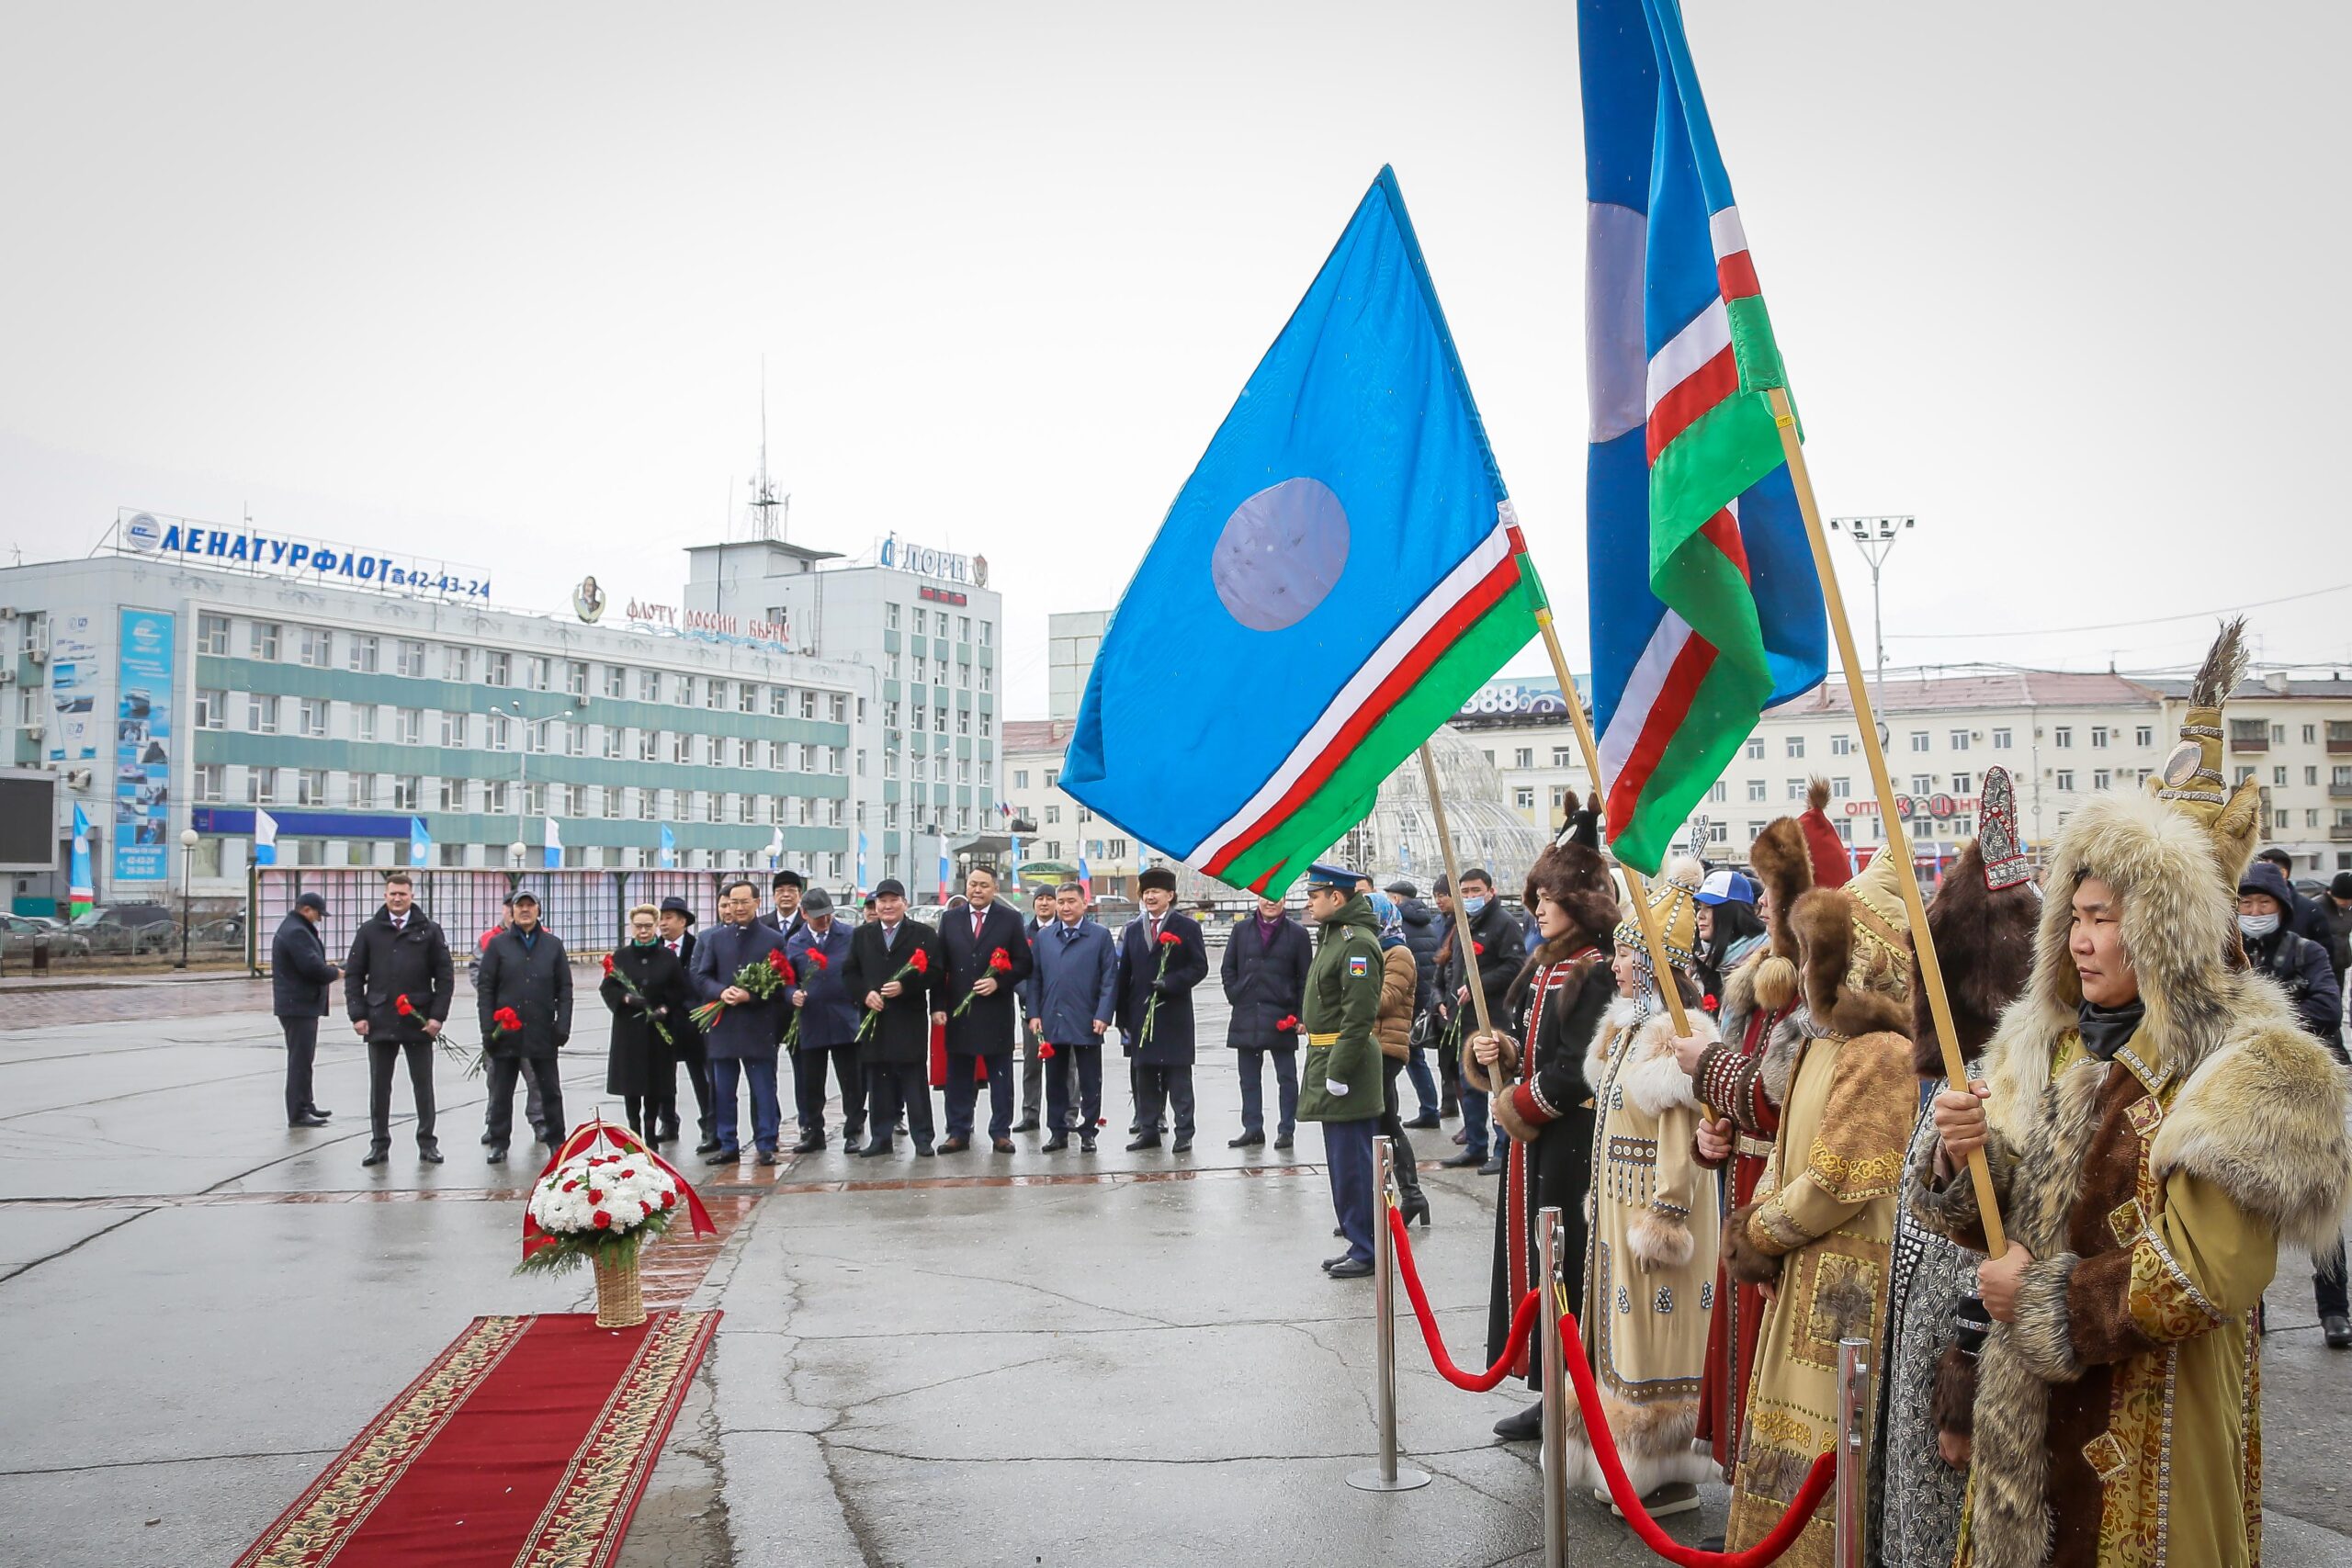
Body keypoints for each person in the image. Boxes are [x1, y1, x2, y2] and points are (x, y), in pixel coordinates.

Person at [1915, 633, 2352, 1568]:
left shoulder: (2249, 1067)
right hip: (2025, 1424)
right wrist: (1965, 1158)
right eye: (2072, 915)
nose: (2078, 939)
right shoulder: (2056, 1044)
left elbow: (2208, 1274)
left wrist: (2038, 1300)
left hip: (2151, 1433)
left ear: (2163, 924)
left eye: (2103, 919)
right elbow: (2019, 1207)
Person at [1720, 848, 1917, 1562]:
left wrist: (1760, 1231)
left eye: (1816, 955)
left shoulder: (1883, 1052)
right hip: (1803, 1272)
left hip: (1846, 1293)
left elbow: (1837, 1180)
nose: (1800, 969)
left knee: (1829, 1449)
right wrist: (1763, 1233)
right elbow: (1785, 1157)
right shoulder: (1823, 1042)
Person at [1868, 772, 2037, 1568]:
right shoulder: (1946, 1084)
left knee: (1947, 1529)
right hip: (1917, 1346)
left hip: (1963, 1358)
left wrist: (1961, 1391)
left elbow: (1989, 1248)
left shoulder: (2002, 1089)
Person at [1679, 780, 1845, 1482]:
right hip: (1747, 1183)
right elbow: (1744, 1105)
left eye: (1779, 899)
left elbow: (1779, 1099)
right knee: (1744, 1344)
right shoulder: (1762, 981)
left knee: (1776, 1356)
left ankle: (1771, 1503)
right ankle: (1747, 1488)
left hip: (1793, 1201)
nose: (1767, 908)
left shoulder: (1832, 999)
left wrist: (1709, 1067)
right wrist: (1710, 1140)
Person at [1555, 877, 1719, 1521]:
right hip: (1616, 1212)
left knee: (1652, 1344)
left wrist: (1667, 1215)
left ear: (1656, 964)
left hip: (1651, 1216)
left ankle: (1659, 1472)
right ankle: (1619, 1463)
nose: (1616, 963)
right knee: (1614, 1340)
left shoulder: (1674, 1036)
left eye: (1628, 954)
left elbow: (1681, 1142)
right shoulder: (1627, 1031)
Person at [1471, 807, 1626, 1441]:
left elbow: (1576, 1071)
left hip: (1572, 1145)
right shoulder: (1550, 962)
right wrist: (1502, 1052)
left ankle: (1569, 1392)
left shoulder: (1591, 968)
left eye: (1549, 897)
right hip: (1543, 1143)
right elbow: (1539, 1054)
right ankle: (1549, 1386)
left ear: (1580, 902)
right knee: (1545, 1266)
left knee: (1566, 1267)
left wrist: (1514, 1103)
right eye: (1535, 896)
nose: (1536, 907)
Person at [2238, 854, 2351, 1348]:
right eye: (2246, 901)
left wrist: (2260, 1017)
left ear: (2282, 906)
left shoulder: (2306, 951)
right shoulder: (2227, 953)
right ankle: (2251, 1309)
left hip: (2306, 1090)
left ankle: (2334, 1311)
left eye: (2264, 901)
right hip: (2245, 1093)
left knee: (2320, 1203)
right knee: (2246, 1204)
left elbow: (2327, 1008)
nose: (2255, 909)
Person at [1297, 863, 1386, 1279]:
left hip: (1344, 1065)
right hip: (1327, 1058)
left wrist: (1339, 1068)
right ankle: (1358, 1239)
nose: (1309, 901)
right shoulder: (1335, 936)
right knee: (1341, 1162)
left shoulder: (1355, 944)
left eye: (1315, 895)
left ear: (1337, 897)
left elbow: (1359, 1016)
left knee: (1354, 1163)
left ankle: (1368, 1248)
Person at [343, 871, 453, 1168]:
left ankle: (427, 1143)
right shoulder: (369, 931)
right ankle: (379, 1144)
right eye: (392, 893)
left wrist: (437, 1017)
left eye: (402, 894)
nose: (397, 898)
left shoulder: (429, 931)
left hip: (418, 1022)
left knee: (423, 1085)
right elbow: (354, 975)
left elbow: (444, 977)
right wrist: (358, 1014)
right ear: (385, 895)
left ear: (411, 896)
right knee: (380, 1087)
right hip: (379, 1019)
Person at [690, 877, 794, 1166]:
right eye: (733, 902)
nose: (737, 907)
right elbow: (700, 976)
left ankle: (765, 1143)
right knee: (723, 1090)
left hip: (757, 1025)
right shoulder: (716, 938)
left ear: (757, 903)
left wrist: (751, 996)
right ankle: (727, 1143)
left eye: (744, 902)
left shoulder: (772, 939)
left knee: (762, 1088)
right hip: (723, 1024)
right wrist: (721, 991)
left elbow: (781, 982)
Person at [936, 865, 1036, 1153]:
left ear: (994, 889)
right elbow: (939, 967)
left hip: (994, 1011)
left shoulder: (1010, 919)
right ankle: (958, 1131)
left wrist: (999, 981)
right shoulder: (950, 919)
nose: (977, 891)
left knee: (1000, 1076)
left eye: (983, 885)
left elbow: (1023, 962)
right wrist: (939, 1006)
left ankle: (1000, 1132)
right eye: (972, 884)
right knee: (958, 1076)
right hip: (959, 1011)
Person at [843, 878, 941, 1157]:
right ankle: (881, 1138)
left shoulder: (923, 934)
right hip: (875, 1019)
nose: (887, 906)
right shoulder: (862, 935)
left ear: (904, 904)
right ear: (875, 905)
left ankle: (923, 1137)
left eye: (893, 900)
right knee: (878, 1081)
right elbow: (849, 973)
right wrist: (865, 994)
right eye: (881, 901)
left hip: (908, 1019)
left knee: (914, 1080)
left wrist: (906, 986)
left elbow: (935, 972)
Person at [1114, 867, 1208, 1153]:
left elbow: (1199, 967)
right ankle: (1148, 1130)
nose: (1150, 896)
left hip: (1174, 1014)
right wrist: (1122, 1017)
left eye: (1156, 891)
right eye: (1146, 892)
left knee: (1178, 1077)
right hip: (1141, 1014)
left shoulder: (1186, 927)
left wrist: (1171, 982)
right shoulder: (1132, 930)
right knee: (1145, 1077)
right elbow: (1124, 974)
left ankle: (1184, 1132)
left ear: (1171, 895)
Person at [477, 890, 572, 1164]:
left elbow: (564, 988)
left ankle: (556, 1139)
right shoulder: (498, 945)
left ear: (538, 910)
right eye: (520, 906)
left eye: (530, 905)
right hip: (505, 1031)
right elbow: (486, 989)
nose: (525, 910)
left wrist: (562, 1025)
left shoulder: (553, 945)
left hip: (542, 1030)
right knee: (502, 1090)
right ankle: (499, 1141)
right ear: (512, 911)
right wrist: (488, 1030)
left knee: (550, 1089)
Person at [1022, 881, 1118, 1152]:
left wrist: (1103, 1014)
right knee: (1055, 1080)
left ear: (1083, 904)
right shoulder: (1045, 937)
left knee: (1089, 1079)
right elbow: (1035, 978)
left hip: (1088, 1019)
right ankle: (1058, 1131)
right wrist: (1034, 1014)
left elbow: (1110, 978)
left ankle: (1088, 1130)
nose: (1065, 907)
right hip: (1053, 1018)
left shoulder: (1099, 936)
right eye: (1061, 902)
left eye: (1070, 901)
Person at [1439, 867, 1519, 1175]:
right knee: (1469, 1084)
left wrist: (1477, 985)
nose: (1470, 897)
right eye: (1465, 892)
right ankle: (1475, 1145)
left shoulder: (1504, 924)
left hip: (1493, 1019)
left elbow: (1515, 967)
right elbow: (1453, 968)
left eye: (1475, 891)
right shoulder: (1462, 924)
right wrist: (1445, 1001)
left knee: (1498, 1085)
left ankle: (1503, 1149)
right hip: (1464, 1020)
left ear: (1490, 891)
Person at [1220, 892, 1313, 1150]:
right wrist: (1236, 994)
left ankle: (1286, 1129)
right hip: (1247, 1013)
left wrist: (1302, 1015)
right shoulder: (1241, 930)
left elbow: (1306, 978)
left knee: (1287, 1077)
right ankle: (1253, 1128)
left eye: (1276, 896)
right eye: (1264, 896)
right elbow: (1228, 969)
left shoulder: (1297, 933)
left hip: (1283, 1016)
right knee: (1248, 1078)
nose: (1270, 902)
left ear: (1285, 900)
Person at [1368, 892, 1430, 1227]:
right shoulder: (1374, 950)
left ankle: (1407, 1195)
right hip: (1372, 1046)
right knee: (1387, 1123)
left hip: (1387, 1047)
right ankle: (1409, 1196)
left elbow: (1386, 999)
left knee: (1381, 1124)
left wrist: (1351, 991)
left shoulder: (1398, 952)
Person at [786, 889, 863, 1151]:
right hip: (811, 1020)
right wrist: (791, 994)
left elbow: (861, 971)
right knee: (811, 1081)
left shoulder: (850, 936)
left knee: (851, 1080)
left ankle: (853, 1130)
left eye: (828, 915)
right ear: (804, 914)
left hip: (844, 1018)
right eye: (818, 917)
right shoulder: (796, 942)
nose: (825, 921)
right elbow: (787, 978)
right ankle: (813, 1132)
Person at [602, 903, 687, 1139]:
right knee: (632, 1085)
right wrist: (626, 998)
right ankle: (634, 1131)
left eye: (648, 926)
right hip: (629, 1032)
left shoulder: (668, 957)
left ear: (655, 926)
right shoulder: (620, 957)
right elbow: (608, 988)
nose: (643, 931)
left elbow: (679, 989)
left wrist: (664, 1007)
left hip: (657, 1032)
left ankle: (650, 1134)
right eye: (638, 926)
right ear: (631, 928)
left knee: (655, 1083)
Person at [270, 891, 340, 1129]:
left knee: (304, 1059)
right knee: (300, 1060)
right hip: (298, 1005)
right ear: (307, 910)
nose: (319, 919)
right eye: (318, 914)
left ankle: (306, 1104)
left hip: (299, 1004)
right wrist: (335, 972)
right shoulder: (297, 932)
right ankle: (298, 1112)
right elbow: (312, 968)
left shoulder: (293, 928)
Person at [658, 897, 718, 1153]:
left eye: (669, 917)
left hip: (693, 1021)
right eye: (661, 918)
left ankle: (708, 1124)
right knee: (663, 1077)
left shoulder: (698, 945)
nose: (663, 923)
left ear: (683, 921)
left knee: (701, 1076)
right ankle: (668, 1122)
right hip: (663, 1021)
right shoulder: (653, 947)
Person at [1385, 877, 1444, 1125]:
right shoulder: (1427, 923)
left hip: (1407, 1000)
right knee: (1416, 1057)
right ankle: (1430, 1108)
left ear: (1397, 900)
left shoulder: (1399, 927)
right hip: (1425, 996)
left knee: (1407, 1058)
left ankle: (1427, 1110)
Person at [1015, 886, 1064, 1133]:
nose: (1044, 903)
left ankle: (1068, 1113)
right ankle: (1030, 1113)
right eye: (1040, 899)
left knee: (1067, 1065)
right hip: (1031, 1012)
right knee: (1031, 1064)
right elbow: (1017, 972)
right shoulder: (1023, 934)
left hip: (1061, 1011)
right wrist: (1030, 998)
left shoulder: (1064, 931)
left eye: (1049, 898)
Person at [1690, 869, 1766, 1003]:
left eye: (1708, 907)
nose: (1700, 915)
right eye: (1699, 907)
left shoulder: (1766, 960)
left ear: (1733, 912)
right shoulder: (1701, 959)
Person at [2255, 844, 2335, 946]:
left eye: (2264, 871)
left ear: (2283, 873)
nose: (2256, 876)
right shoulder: (2245, 908)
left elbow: (2325, 952)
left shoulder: (2310, 910)